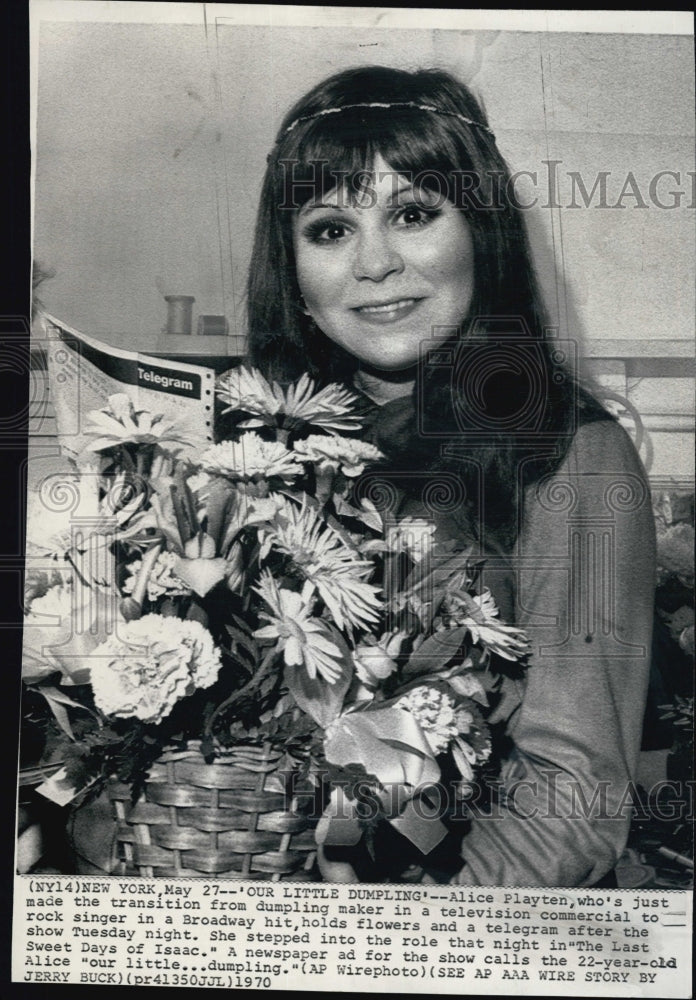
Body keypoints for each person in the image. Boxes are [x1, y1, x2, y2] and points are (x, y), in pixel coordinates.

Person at [245, 65, 656, 886]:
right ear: (291, 270)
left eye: (413, 214)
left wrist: (407, 953)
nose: (374, 264)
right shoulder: (250, 452)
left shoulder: (573, 453)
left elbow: (572, 800)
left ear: (483, 233)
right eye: (329, 228)